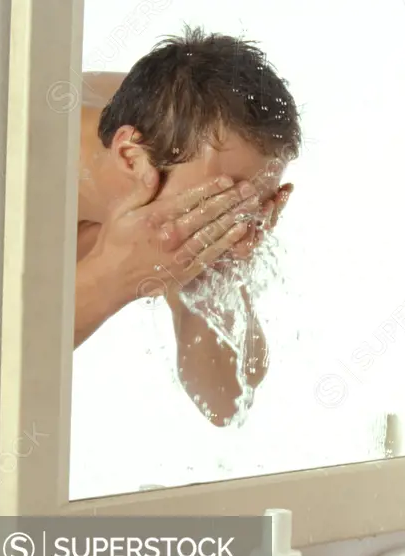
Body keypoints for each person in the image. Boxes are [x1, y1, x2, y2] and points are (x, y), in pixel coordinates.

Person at [76, 27, 300, 426]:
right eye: (218, 200)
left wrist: (217, 264)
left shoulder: (183, 137)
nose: (228, 219)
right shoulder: (12, 171)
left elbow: (226, 402)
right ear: (131, 157)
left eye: (248, 207)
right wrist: (111, 278)